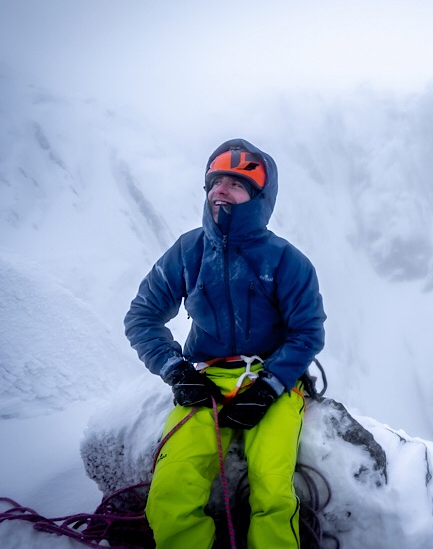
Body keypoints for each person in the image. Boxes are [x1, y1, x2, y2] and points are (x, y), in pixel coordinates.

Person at [124, 138, 326, 548]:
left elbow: (307, 332)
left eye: (235, 183)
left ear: (258, 198)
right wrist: (177, 371)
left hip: (271, 377)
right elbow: (142, 316)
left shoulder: (287, 261)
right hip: (207, 379)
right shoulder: (189, 251)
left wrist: (269, 387)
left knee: (273, 489)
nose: (221, 189)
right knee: (172, 487)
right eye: (215, 181)